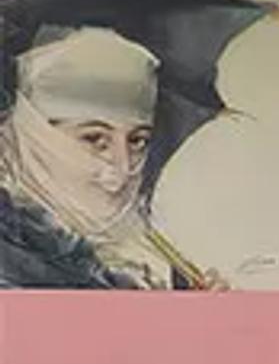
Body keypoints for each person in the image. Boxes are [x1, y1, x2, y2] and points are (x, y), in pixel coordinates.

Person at [0, 26, 203, 289]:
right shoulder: (12, 261)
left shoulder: (139, 253)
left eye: (137, 141)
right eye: (95, 139)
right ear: (31, 136)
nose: (123, 168)